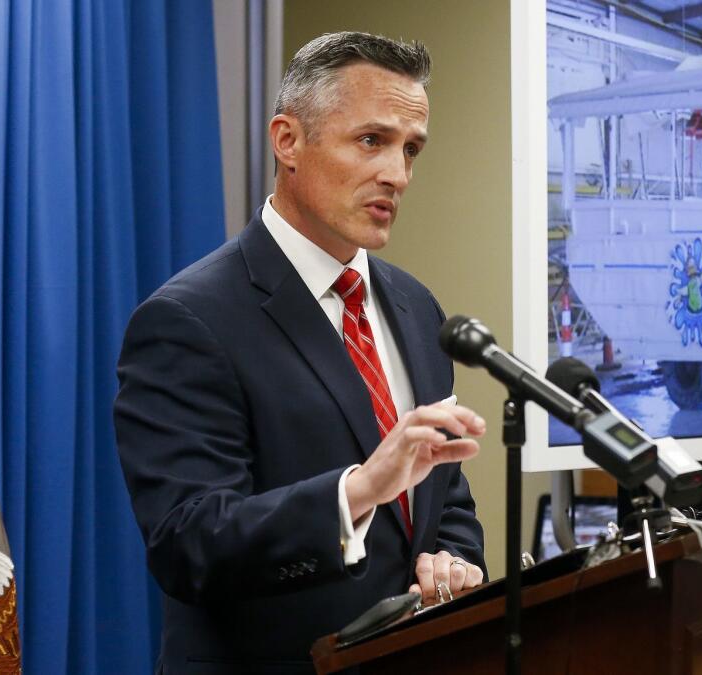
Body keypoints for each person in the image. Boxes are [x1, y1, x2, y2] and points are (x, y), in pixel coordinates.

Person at [113, 31, 486, 673]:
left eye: (410, 149)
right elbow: (189, 543)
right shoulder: (188, 319)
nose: (397, 175)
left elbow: (445, 493)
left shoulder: (416, 307)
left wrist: (452, 556)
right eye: (372, 141)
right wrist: (360, 490)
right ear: (288, 141)